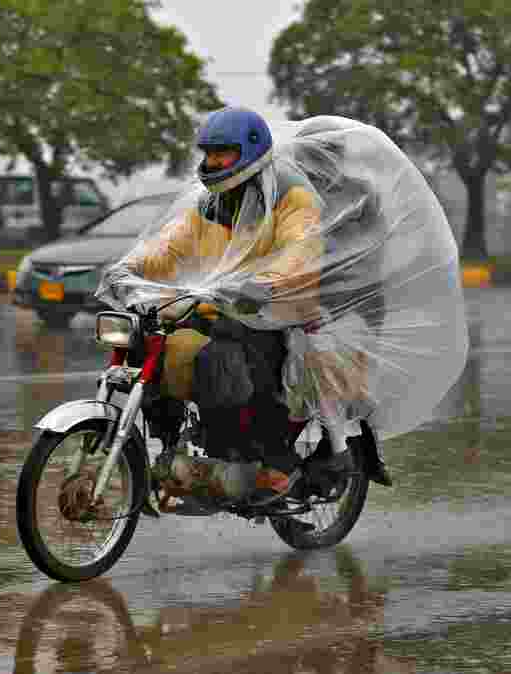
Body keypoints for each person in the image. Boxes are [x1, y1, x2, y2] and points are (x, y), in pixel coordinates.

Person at [104, 106, 340, 496]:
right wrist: (128, 267)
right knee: (153, 341)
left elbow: (302, 248)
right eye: (209, 153)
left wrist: (267, 282)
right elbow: (169, 246)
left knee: (232, 353)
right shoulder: (211, 203)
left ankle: (268, 458)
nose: (212, 161)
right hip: (224, 304)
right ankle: (172, 441)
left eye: (222, 153)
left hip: (278, 308)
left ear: (249, 151)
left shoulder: (289, 195)